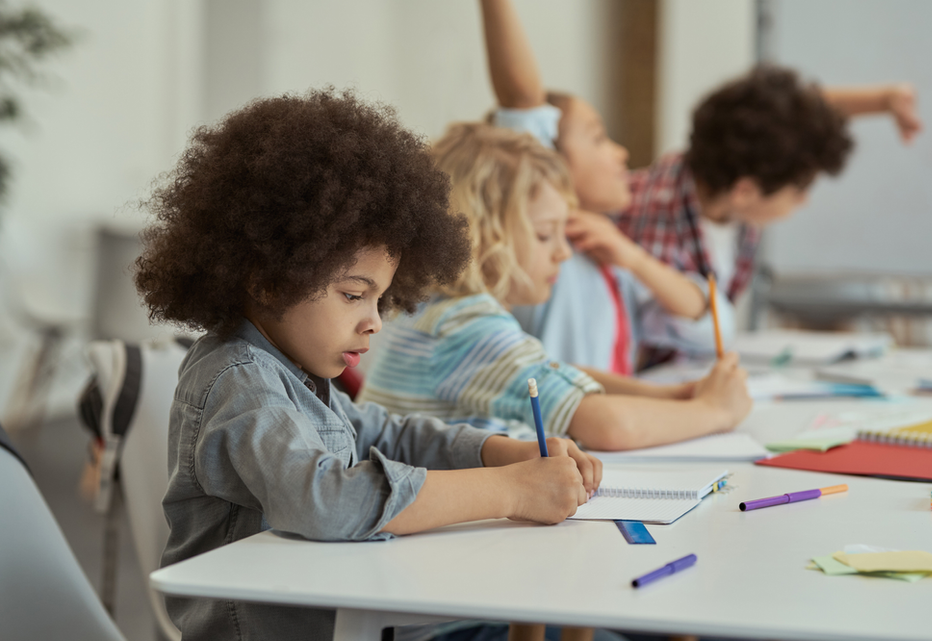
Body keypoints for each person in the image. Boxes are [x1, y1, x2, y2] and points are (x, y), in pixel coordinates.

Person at [134, 89, 602, 641]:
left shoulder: (293, 369)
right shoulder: (241, 380)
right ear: (267, 279)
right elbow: (325, 499)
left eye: (380, 299)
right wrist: (511, 491)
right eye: (354, 295)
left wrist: (501, 451)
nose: (375, 321)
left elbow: (384, 432)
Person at [474, 0, 923, 369]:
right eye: (597, 138)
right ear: (746, 191)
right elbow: (522, 101)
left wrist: (881, 101)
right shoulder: (587, 233)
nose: (622, 154)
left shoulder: (614, 246)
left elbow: (713, 319)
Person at [359, 123, 751, 454]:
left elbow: (551, 370)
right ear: (482, 238)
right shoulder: (465, 326)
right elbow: (611, 427)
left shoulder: (436, 309)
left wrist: (673, 396)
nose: (564, 252)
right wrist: (715, 412)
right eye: (546, 235)